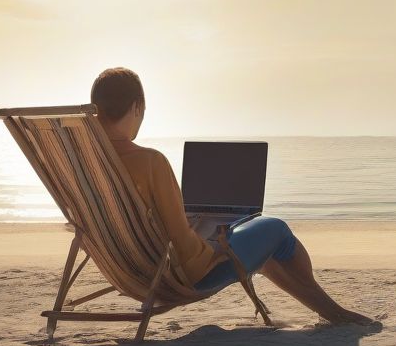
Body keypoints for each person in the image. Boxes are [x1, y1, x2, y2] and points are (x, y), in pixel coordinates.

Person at [90, 67, 374, 326]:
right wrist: (213, 246)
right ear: (137, 107)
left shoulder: (86, 165)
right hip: (184, 275)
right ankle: (332, 311)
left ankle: (329, 310)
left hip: (131, 273)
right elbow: (181, 240)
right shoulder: (150, 161)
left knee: (262, 255)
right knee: (275, 229)